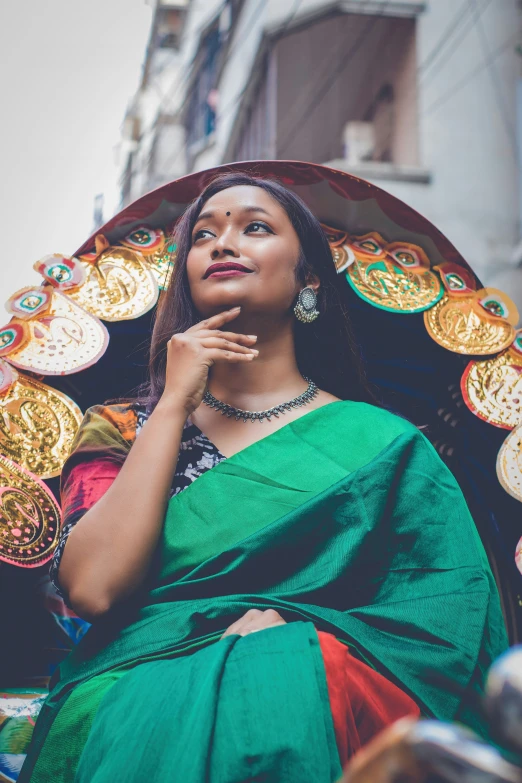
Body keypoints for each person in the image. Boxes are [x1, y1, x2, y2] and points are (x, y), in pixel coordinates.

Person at [20, 173, 507, 783]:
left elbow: (442, 627)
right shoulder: (120, 428)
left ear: (308, 281)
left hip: (328, 692)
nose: (223, 244)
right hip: (130, 688)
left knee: (278, 676)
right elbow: (93, 589)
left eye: (255, 227)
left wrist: (304, 635)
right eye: (204, 234)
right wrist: (172, 405)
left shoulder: (383, 444)